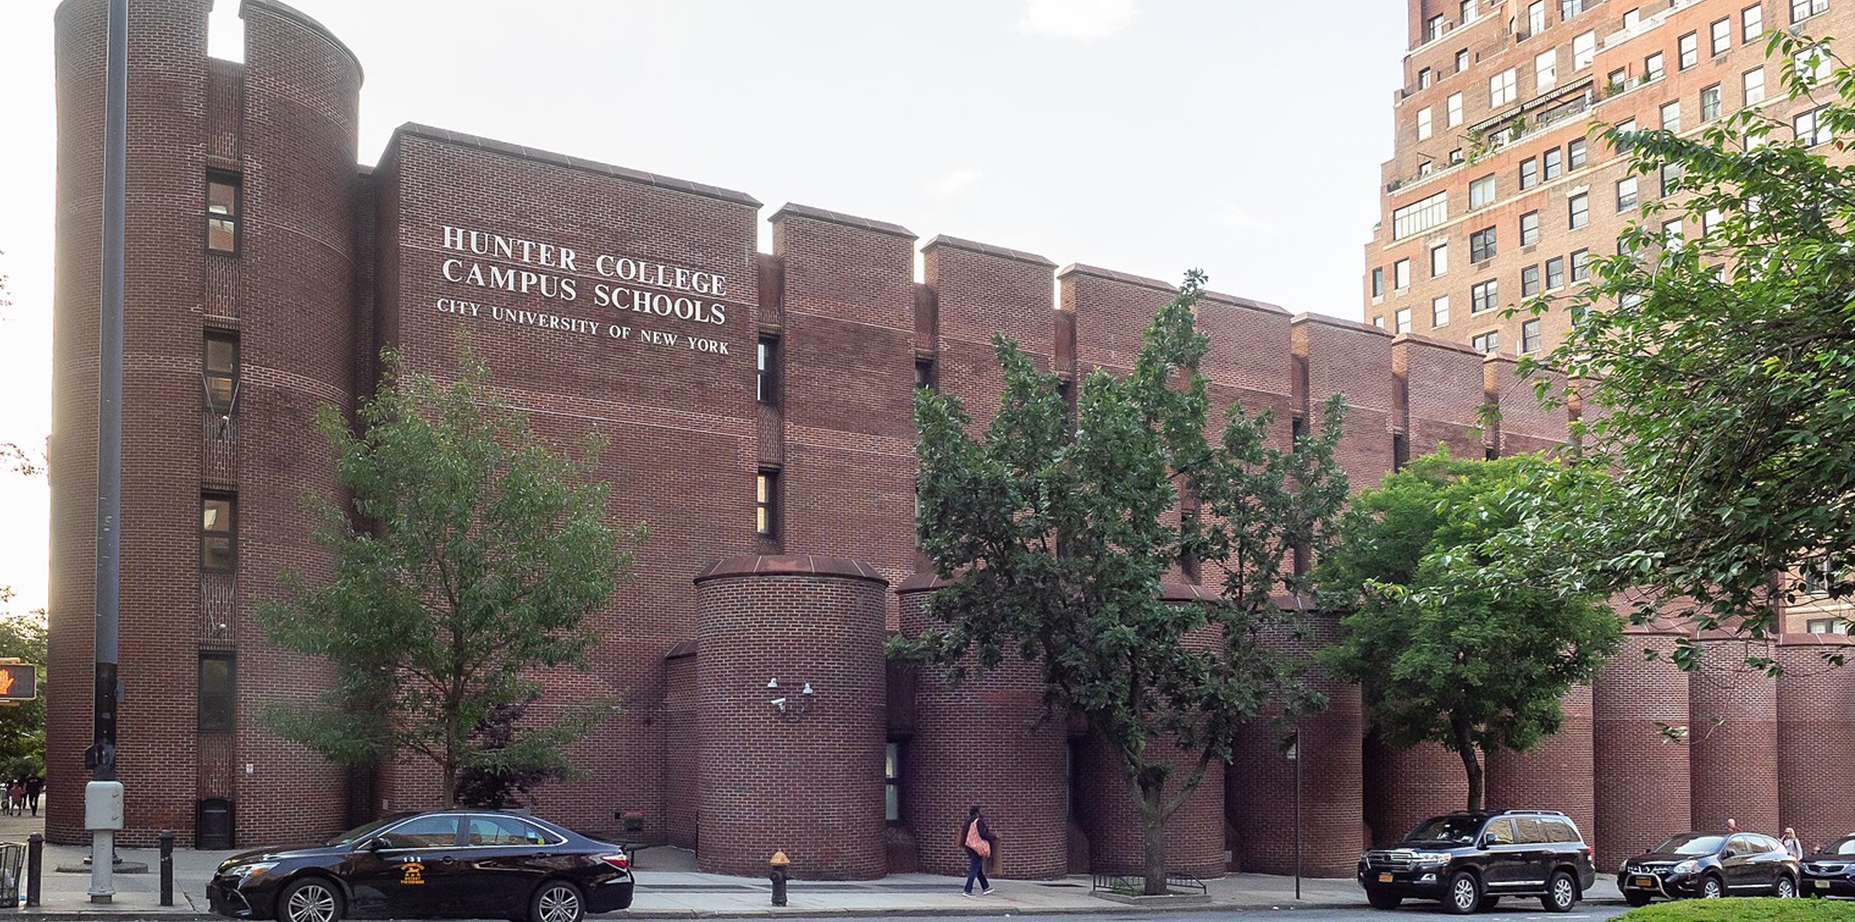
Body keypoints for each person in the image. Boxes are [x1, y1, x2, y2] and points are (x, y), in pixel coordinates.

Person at [960, 805, 995, 897]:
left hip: (969, 846)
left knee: (978, 868)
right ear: (977, 812)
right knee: (974, 868)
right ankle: (967, 889)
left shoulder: (968, 821)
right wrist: (993, 837)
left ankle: (985, 887)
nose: (983, 812)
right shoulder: (978, 821)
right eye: (981, 810)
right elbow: (983, 834)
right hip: (977, 847)